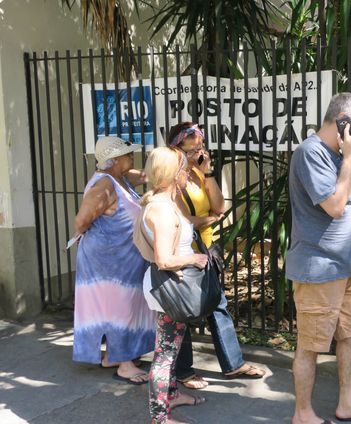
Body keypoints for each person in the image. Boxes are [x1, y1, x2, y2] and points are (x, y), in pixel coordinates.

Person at [287, 92, 351, 424]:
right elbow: (333, 206)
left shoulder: (335, 154)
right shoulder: (311, 153)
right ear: (342, 120)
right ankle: (303, 414)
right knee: (310, 344)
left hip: (343, 268)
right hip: (319, 268)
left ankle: (347, 403)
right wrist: (350, 159)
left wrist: (346, 158)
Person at [166, 122, 266, 390]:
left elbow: (220, 205)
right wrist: (209, 218)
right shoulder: (170, 180)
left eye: (201, 148)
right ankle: (183, 371)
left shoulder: (198, 174)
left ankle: (233, 364)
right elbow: (183, 222)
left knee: (217, 304)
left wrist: (207, 171)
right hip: (185, 254)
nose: (198, 153)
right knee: (185, 312)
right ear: (175, 150)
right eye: (192, 150)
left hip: (208, 250)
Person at [134, 147, 209, 424]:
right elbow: (164, 259)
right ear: (171, 173)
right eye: (182, 167)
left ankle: (172, 395)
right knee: (165, 353)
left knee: (172, 347)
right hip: (169, 286)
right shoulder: (161, 211)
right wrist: (196, 258)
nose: (187, 170)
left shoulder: (163, 203)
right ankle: (160, 417)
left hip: (172, 286)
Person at [72, 136, 154, 384]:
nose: (132, 157)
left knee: (124, 307)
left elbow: (145, 176)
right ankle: (125, 365)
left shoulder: (119, 179)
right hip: (107, 262)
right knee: (120, 308)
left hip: (121, 260)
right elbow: (81, 221)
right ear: (115, 160)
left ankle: (115, 356)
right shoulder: (104, 186)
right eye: (128, 155)